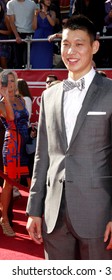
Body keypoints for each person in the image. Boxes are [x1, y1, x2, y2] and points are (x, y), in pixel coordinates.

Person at [26, 15, 112, 260]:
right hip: (53, 213)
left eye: (79, 44)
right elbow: (42, 156)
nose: (71, 51)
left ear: (94, 47)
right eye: (66, 44)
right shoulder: (49, 96)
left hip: (97, 212)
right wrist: (34, 208)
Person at [0, 69, 30, 236]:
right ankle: (4, 218)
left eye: (13, 80)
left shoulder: (20, 100)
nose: (10, 84)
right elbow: (10, 119)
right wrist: (4, 97)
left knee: (23, 180)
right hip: (11, 144)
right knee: (9, 183)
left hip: (24, 143)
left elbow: (25, 119)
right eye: (6, 81)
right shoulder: (1, 103)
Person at [6, 0, 37, 69]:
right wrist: (17, 36)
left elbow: (36, 18)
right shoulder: (11, 3)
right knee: (18, 60)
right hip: (17, 33)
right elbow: (11, 21)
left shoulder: (32, 4)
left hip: (30, 34)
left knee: (28, 60)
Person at [30, 0, 58, 69]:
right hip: (37, 38)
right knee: (36, 59)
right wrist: (35, 16)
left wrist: (46, 14)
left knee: (47, 60)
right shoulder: (36, 13)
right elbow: (34, 27)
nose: (49, 1)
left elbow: (53, 24)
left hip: (48, 38)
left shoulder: (52, 12)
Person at [0, 1, 12, 69]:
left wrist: (0, 31)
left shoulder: (5, 17)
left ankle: (6, 78)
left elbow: (10, 32)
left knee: (3, 59)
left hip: (4, 42)